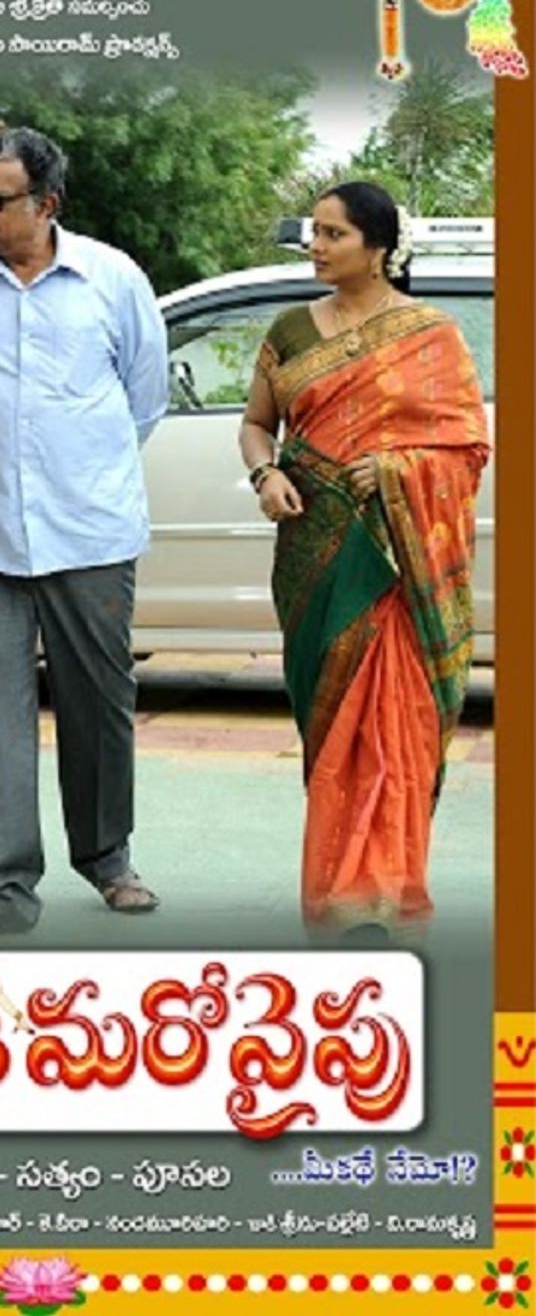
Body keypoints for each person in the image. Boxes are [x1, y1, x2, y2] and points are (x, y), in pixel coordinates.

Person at [0, 127, 169, 934]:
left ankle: (108, 858)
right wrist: (1, 470)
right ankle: (4, 886)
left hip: (92, 530)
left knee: (98, 702)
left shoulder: (113, 280)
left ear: (46, 203)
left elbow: (145, 399)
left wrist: (76, 471)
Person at [239, 181, 490, 938]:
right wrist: (266, 473)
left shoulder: (432, 335)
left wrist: (394, 471)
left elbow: (467, 449)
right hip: (314, 555)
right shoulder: (290, 330)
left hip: (395, 566)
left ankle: (378, 894)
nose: (314, 246)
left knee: (391, 730)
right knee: (333, 731)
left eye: (333, 234)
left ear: (377, 248)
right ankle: (340, 888)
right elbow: (257, 424)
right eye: (312, 232)